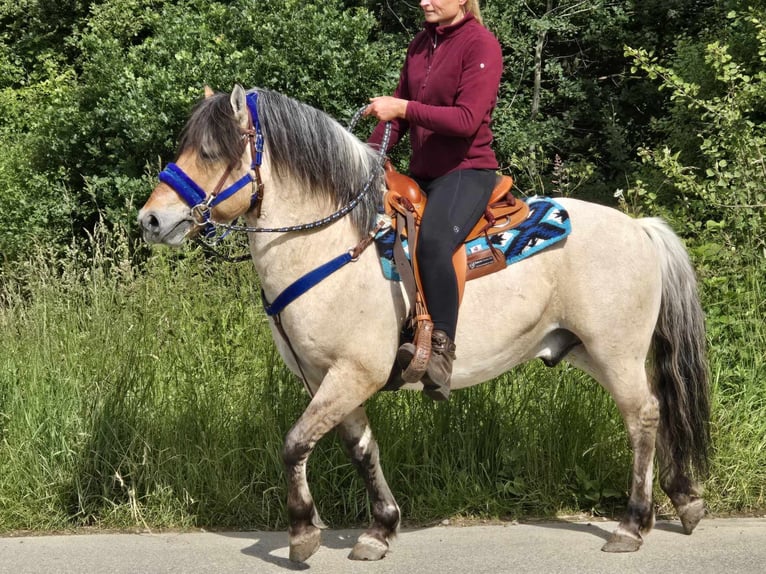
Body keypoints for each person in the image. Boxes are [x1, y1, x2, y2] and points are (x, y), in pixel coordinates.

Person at [365, 0, 503, 401]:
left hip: (467, 171)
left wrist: (402, 106)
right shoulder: (419, 45)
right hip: (422, 174)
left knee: (435, 242)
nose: (424, 1)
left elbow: (466, 120)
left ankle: (441, 351)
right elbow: (398, 120)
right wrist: (366, 157)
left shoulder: (481, 45)